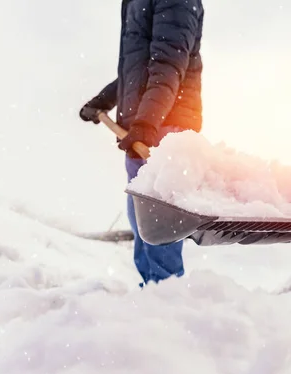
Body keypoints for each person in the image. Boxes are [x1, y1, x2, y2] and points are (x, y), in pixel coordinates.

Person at [79, 0, 204, 287]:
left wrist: (147, 123)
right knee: (141, 222)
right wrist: (103, 101)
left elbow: (169, 63)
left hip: (165, 128)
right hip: (139, 129)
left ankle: (167, 297)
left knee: (159, 225)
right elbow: (136, 70)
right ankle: (151, 295)